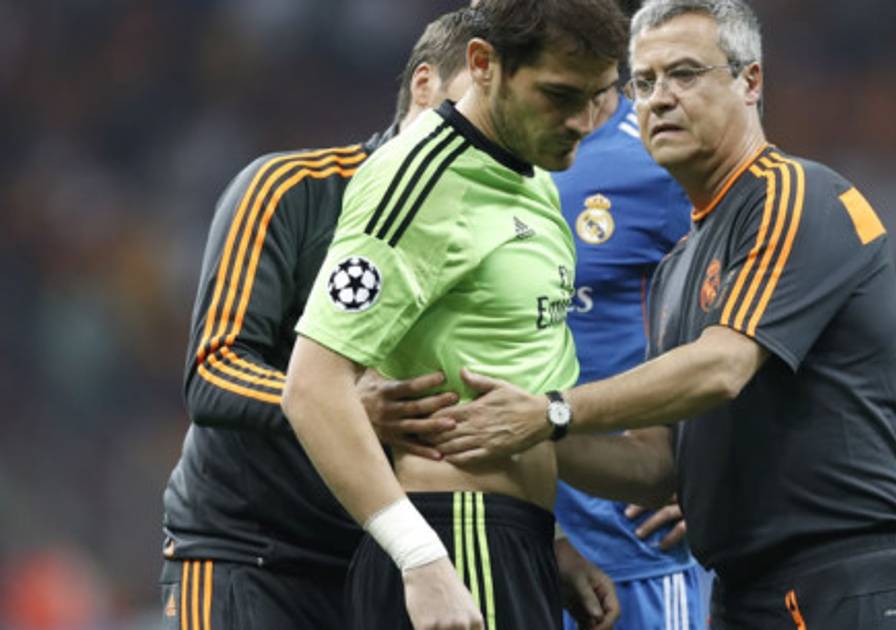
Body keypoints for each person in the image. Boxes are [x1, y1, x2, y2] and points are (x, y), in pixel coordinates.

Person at [425, 1, 896, 627]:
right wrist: (524, 433)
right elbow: (654, 467)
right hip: (743, 588)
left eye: (686, 73)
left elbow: (723, 367)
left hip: (842, 574)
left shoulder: (793, 193)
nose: (660, 99)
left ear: (750, 81)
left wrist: (552, 409)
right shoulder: (677, 267)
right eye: (644, 82)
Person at [160, 10, 611, 629]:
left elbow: (475, 391)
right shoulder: (289, 189)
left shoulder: (501, 201)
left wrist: (549, 541)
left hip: (382, 548)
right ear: (426, 85)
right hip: (251, 551)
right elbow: (214, 369)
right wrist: (350, 405)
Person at [280, 1, 628, 629]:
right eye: (559, 95)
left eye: (598, 96)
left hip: (510, 541)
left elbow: (501, 369)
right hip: (458, 539)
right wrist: (423, 561)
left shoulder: (529, 173)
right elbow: (311, 387)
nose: (582, 122)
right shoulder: (421, 178)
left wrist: (550, 545)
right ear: (483, 64)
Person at [549, 53, 708, 630]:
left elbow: (749, 325)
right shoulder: (474, 166)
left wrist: (716, 472)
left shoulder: (656, 160)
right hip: (510, 540)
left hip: (630, 547)